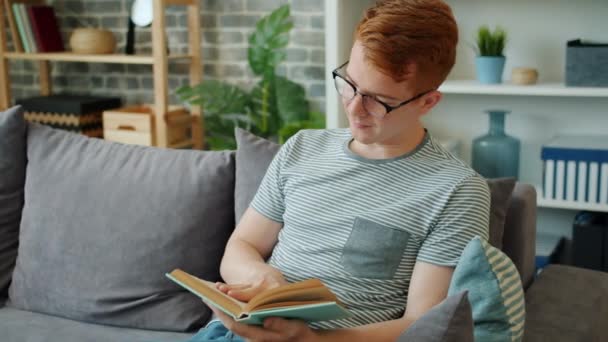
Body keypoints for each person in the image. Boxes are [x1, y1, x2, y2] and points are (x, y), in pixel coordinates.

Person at [189, 0, 490, 341]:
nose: (354, 108)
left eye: (379, 100)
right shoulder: (302, 147)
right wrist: (263, 278)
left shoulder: (457, 190)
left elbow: (421, 323)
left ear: (427, 102)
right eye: (350, 83)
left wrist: (310, 340)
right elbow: (241, 245)